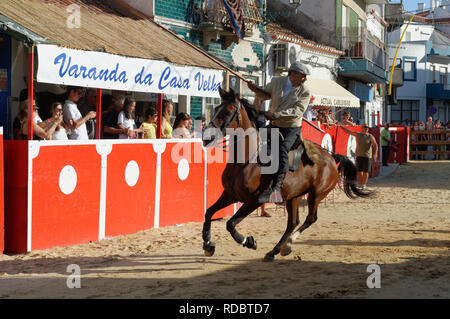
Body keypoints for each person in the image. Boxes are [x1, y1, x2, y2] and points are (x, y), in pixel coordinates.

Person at [248, 61, 311, 203]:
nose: (305, 79)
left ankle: (277, 187)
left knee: (282, 149)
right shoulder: (277, 81)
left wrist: (276, 114)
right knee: (258, 145)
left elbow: (297, 111)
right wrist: (255, 89)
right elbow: (265, 95)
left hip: (291, 127)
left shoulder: (305, 91)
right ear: (292, 74)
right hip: (274, 124)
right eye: (303, 76)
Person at [338, 123, 378, 190]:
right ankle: (362, 183)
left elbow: (375, 145)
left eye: (367, 127)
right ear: (362, 128)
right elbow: (348, 131)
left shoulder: (370, 136)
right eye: (365, 127)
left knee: (366, 172)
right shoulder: (358, 134)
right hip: (359, 156)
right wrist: (341, 126)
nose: (367, 128)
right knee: (359, 171)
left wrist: (375, 153)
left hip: (367, 156)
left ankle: (363, 184)